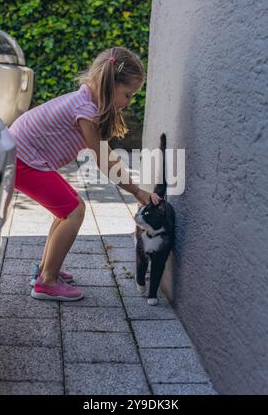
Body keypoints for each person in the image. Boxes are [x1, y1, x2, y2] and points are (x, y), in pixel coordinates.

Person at [8, 46, 161, 301]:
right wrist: (136, 191)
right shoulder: (86, 111)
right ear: (112, 84)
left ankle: (46, 270)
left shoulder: (86, 101)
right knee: (73, 210)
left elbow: (105, 154)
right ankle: (46, 282)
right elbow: (104, 159)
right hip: (22, 159)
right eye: (128, 94)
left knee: (66, 208)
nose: (129, 102)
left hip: (23, 155)